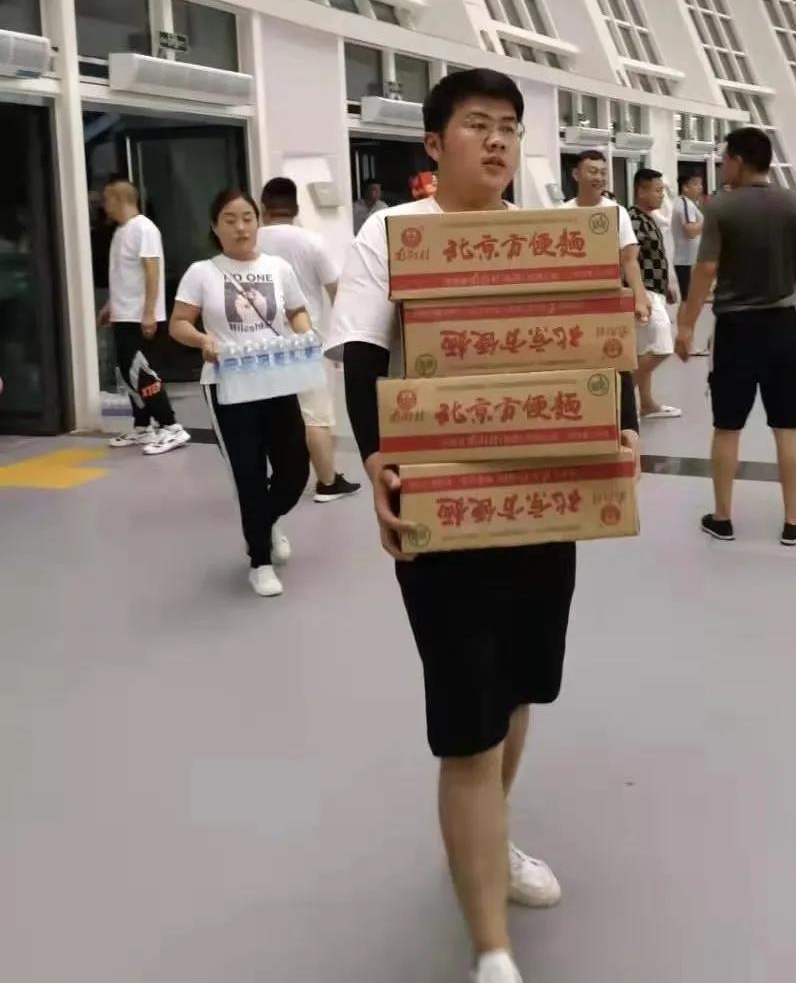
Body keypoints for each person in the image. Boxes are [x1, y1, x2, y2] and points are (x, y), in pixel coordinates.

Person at [324, 68, 641, 983]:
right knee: (467, 720)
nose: (498, 140)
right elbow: (363, 354)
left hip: (543, 498)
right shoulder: (393, 233)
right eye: (477, 125)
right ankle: (492, 946)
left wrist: (618, 426)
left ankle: (487, 837)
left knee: (519, 689)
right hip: (445, 503)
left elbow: (594, 338)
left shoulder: (547, 237)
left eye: (509, 126)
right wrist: (379, 462)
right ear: (434, 144)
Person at [675, 127, 796, 546]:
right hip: (782, 327)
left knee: (727, 426)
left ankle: (723, 518)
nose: (722, 166)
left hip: (735, 330)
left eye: (725, 159)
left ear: (739, 161)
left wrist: (686, 324)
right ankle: (794, 522)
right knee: (788, 426)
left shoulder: (721, 208)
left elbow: (706, 269)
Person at [170, 189, 312, 598]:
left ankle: (263, 522)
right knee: (248, 473)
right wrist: (202, 340)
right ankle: (260, 561)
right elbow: (179, 323)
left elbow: (297, 311)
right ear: (215, 227)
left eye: (248, 217)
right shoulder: (202, 272)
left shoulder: (278, 268)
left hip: (276, 378)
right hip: (228, 384)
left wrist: (305, 334)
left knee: (294, 470)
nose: (240, 227)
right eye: (229, 219)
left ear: (258, 221)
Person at [257, 177, 361, 503]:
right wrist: (344, 339)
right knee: (315, 417)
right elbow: (337, 292)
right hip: (306, 341)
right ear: (296, 207)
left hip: (261, 344)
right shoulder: (313, 242)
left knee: (274, 416)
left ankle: (279, 477)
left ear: (262, 208)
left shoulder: (251, 243)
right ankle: (327, 482)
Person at [98, 179, 190, 455]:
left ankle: (171, 426)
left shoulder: (144, 229)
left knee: (142, 374)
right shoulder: (120, 232)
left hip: (140, 317)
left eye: (107, 200)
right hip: (123, 314)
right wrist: (110, 305)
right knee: (127, 374)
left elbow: (152, 270)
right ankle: (143, 426)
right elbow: (123, 275)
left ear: (119, 199)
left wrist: (149, 312)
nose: (104, 206)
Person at [562, 149, 650, 323]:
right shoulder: (561, 213)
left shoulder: (617, 211)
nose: (599, 178)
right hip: (572, 297)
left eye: (603, 173)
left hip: (609, 294)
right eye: (593, 172)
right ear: (576, 174)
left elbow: (629, 259)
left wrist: (640, 297)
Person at [629, 167, 681, 419]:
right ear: (641, 191)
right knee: (662, 346)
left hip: (655, 290)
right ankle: (621, 396)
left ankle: (647, 404)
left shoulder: (648, 218)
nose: (662, 195)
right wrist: (640, 294)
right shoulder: (633, 220)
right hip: (644, 293)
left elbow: (653, 256)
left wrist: (665, 285)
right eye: (658, 190)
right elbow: (630, 260)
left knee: (643, 350)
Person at [672, 173, 704, 301]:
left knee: (689, 300)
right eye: (695, 184)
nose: (700, 187)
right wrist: (710, 220)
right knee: (688, 300)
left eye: (700, 184)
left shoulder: (690, 204)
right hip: (686, 261)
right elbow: (690, 231)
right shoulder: (685, 204)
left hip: (689, 260)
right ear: (685, 187)